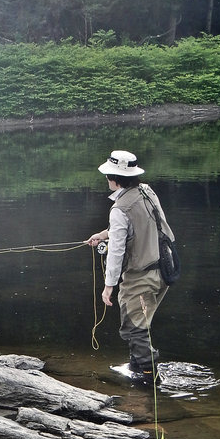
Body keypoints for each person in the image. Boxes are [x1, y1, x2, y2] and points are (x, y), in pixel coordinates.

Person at [85, 150, 175, 384]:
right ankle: (137, 367)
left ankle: (150, 379)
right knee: (140, 324)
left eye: (108, 175)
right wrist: (104, 234)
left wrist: (108, 286)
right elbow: (148, 224)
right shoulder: (147, 191)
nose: (106, 179)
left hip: (142, 275)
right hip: (165, 269)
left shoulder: (119, 209)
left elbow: (116, 252)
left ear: (115, 178)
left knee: (134, 328)